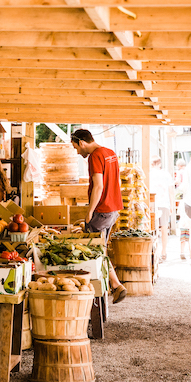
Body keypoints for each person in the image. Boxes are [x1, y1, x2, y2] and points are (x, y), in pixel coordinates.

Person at [70, 129, 126, 303]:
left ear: (82, 142)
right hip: (114, 208)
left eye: (76, 148)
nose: (78, 153)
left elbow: (98, 186)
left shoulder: (95, 156)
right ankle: (115, 285)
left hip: (102, 210)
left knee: (93, 250)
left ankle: (114, 286)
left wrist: (89, 211)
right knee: (100, 248)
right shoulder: (110, 153)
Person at [149, 156, 174, 261]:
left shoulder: (150, 174)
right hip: (164, 204)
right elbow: (171, 191)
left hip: (152, 203)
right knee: (164, 228)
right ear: (160, 164)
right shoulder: (166, 174)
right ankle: (163, 251)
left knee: (153, 229)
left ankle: (157, 252)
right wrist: (172, 205)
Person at [174, 159, 190, 260]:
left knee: (182, 238)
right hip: (190, 222)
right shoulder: (188, 171)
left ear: (179, 165)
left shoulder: (180, 172)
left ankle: (182, 252)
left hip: (183, 223)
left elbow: (178, 182)